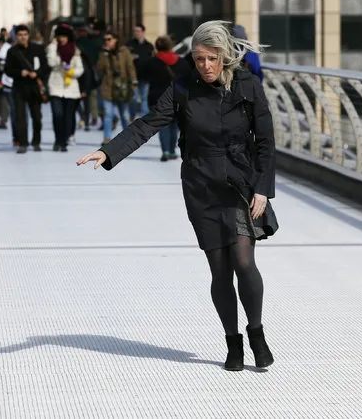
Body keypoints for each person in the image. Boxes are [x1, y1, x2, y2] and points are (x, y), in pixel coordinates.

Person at [76, 20, 278, 372]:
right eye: (199, 59)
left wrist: (262, 188)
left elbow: (265, 143)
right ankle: (233, 341)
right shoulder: (183, 87)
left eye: (212, 58)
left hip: (239, 183)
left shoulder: (248, 85)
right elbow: (149, 122)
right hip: (200, 185)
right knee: (220, 271)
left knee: (244, 262)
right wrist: (109, 152)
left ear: (225, 56)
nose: (206, 66)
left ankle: (256, 331)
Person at [142, 35, 191, 161]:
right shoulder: (181, 62)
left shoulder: (151, 62)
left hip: (157, 98)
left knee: (163, 126)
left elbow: (143, 75)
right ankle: (172, 150)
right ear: (171, 46)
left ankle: (165, 151)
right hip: (177, 97)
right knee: (174, 126)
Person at [4, 25, 49, 154]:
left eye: (25, 34)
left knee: (37, 117)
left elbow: (46, 66)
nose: (23, 37)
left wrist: (38, 73)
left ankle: (36, 142)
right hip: (19, 87)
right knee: (20, 117)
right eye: (20, 35)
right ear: (16, 36)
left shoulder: (38, 49)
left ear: (29, 35)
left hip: (35, 88)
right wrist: (20, 72)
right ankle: (22, 143)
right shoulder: (12, 51)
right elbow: (8, 70)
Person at [47, 24, 84, 152]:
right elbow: (51, 63)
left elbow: (80, 69)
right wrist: (52, 46)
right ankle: (58, 139)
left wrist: (72, 72)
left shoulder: (75, 50)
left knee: (68, 117)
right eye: (59, 36)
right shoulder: (53, 49)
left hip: (71, 88)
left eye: (64, 36)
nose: (62, 39)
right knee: (57, 115)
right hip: (56, 87)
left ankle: (64, 141)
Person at [96, 31, 137, 146]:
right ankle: (107, 138)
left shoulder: (124, 51)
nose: (107, 42)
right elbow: (99, 68)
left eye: (109, 39)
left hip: (122, 88)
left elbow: (130, 66)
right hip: (108, 87)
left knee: (124, 114)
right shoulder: (103, 53)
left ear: (116, 39)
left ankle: (127, 137)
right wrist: (104, 54)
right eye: (105, 40)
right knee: (108, 114)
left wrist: (134, 81)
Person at [126, 24, 154, 121]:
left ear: (143, 32)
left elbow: (152, 59)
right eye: (134, 31)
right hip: (133, 77)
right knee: (133, 98)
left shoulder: (149, 46)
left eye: (138, 31)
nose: (136, 33)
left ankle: (145, 119)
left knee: (144, 98)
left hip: (145, 76)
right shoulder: (129, 45)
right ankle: (132, 115)